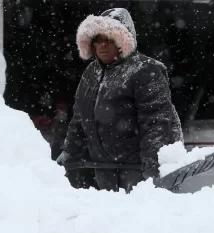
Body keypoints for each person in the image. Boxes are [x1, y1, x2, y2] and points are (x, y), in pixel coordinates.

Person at [57, 8, 183, 192]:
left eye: (109, 39)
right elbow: (79, 118)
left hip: (137, 171)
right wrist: (69, 152)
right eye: (98, 40)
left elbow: (156, 120)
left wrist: (152, 163)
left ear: (123, 39)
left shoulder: (145, 70)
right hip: (102, 170)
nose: (103, 45)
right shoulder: (91, 73)